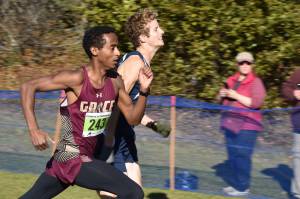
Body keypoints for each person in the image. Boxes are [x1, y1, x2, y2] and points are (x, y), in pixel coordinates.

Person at [19, 26, 153, 199]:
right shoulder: (77, 78)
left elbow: (133, 118)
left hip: (74, 158)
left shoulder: (115, 82)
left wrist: (144, 91)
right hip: (72, 156)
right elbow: (28, 86)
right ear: (95, 50)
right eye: (112, 47)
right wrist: (33, 129)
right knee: (133, 192)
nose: (118, 52)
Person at [98, 8, 170, 199]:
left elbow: (127, 106)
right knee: (125, 194)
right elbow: (112, 100)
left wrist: (153, 125)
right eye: (156, 29)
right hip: (115, 137)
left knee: (134, 193)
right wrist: (109, 139)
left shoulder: (141, 62)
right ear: (143, 38)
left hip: (124, 136)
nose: (162, 31)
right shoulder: (135, 62)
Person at [218, 52, 266, 196]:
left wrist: (236, 95)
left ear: (252, 65)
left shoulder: (256, 82)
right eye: (241, 63)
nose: (245, 65)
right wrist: (221, 95)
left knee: (242, 156)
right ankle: (235, 184)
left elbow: (256, 103)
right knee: (232, 156)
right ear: (237, 65)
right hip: (230, 124)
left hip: (248, 126)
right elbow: (222, 99)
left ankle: (243, 187)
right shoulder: (231, 80)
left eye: (248, 63)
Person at [281, 67, 300, 199]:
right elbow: (285, 89)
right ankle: (298, 193)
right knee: (299, 159)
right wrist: (294, 93)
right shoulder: (298, 73)